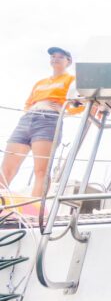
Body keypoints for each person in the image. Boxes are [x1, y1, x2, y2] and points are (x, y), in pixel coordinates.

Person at [1, 47, 81, 201]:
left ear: (68, 61)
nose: (55, 59)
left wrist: (66, 111)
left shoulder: (72, 80)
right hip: (28, 119)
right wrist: (28, 112)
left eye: (60, 57)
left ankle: (35, 207)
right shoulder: (40, 82)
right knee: (6, 169)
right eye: (53, 56)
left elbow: (82, 102)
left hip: (48, 120)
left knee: (41, 170)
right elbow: (28, 102)